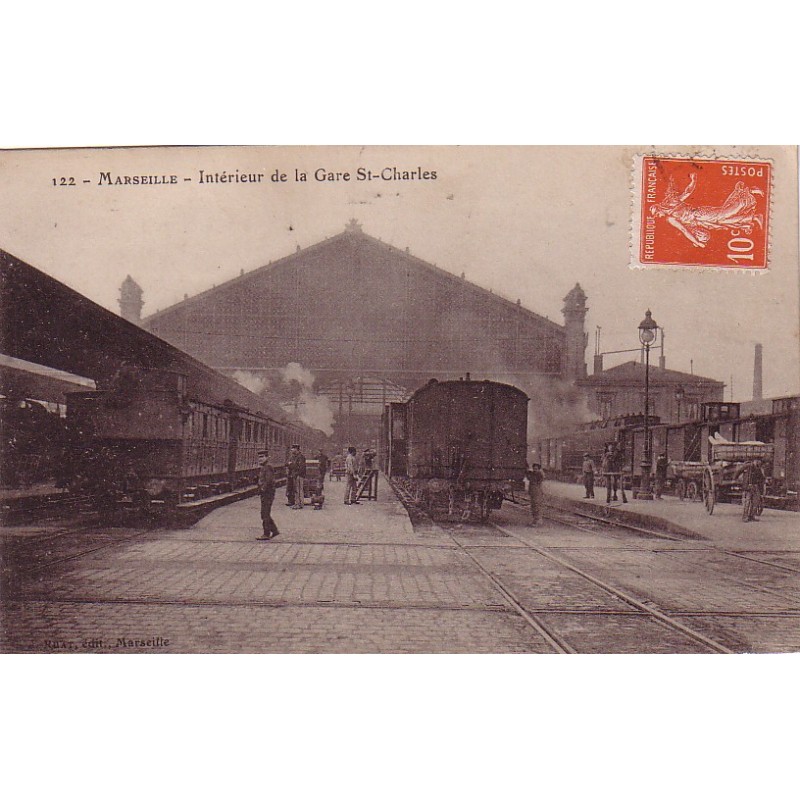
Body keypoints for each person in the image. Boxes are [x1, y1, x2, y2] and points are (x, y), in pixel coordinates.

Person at [255, 449, 280, 541]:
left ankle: (266, 534)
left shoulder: (268, 467)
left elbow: (268, 480)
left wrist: (262, 489)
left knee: (265, 513)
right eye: (259, 457)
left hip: (268, 493)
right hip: (266, 493)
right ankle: (274, 530)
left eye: (262, 457)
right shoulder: (264, 467)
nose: (260, 459)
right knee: (265, 513)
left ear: (266, 457)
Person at [287, 444, 306, 510]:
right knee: (296, 490)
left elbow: (301, 467)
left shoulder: (300, 457)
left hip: (299, 475)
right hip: (295, 475)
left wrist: (292, 465)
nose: (291, 450)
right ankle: (298, 503)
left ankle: (299, 504)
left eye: (293, 448)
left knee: (298, 490)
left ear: (296, 449)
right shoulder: (295, 457)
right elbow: (289, 465)